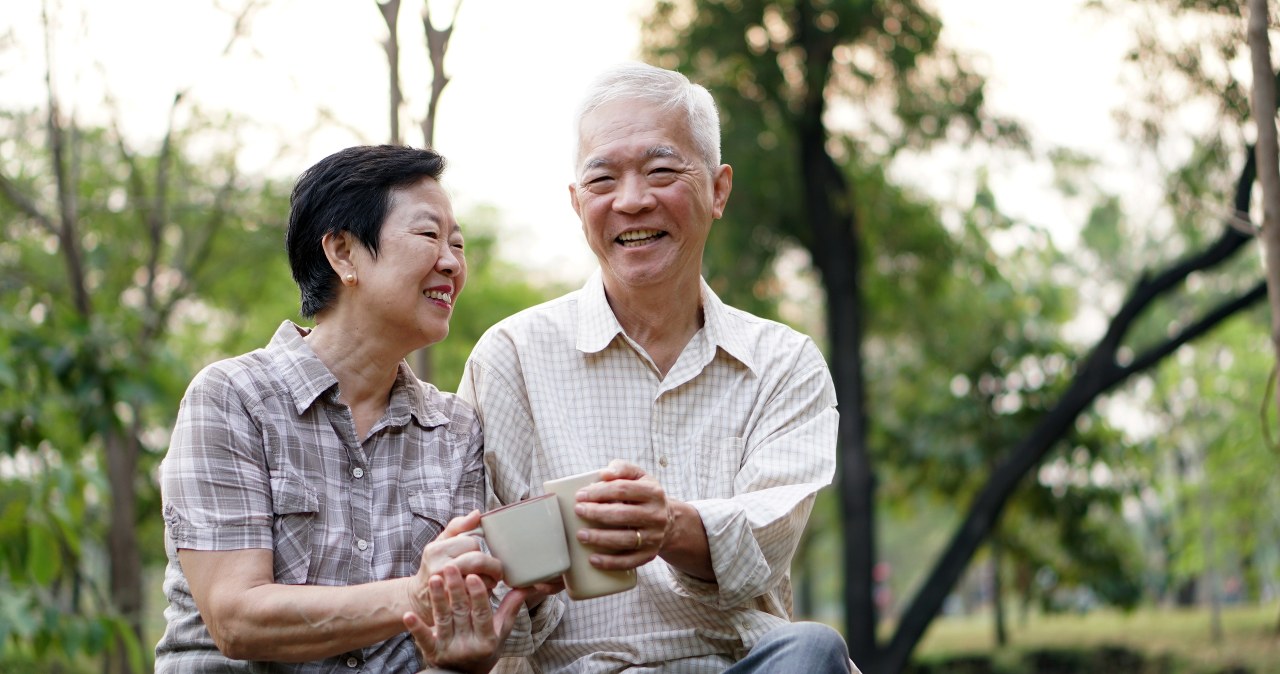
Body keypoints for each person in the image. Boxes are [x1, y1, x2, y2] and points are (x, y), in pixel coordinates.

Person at [408, 62, 857, 673]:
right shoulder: (512, 355)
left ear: (719, 189)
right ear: (577, 202)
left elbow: (767, 540)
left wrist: (667, 526)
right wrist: (499, 588)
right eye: (603, 180)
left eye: (662, 170)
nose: (632, 200)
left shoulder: (783, 361)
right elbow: (484, 575)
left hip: (743, 663)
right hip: (582, 666)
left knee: (812, 649)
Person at [154, 144, 522, 672]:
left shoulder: (455, 429)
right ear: (344, 252)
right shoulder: (232, 398)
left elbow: (446, 642)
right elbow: (236, 618)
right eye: (429, 235)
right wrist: (417, 594)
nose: (452, 262)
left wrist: (462, 658)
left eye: (457, 243)